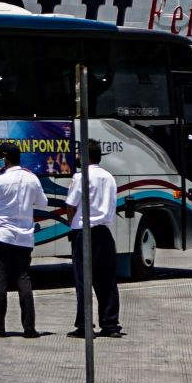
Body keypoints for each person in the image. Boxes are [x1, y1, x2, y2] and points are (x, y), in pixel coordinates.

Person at [0, 141, 50, 337]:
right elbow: (43, 202)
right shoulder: (32, 178)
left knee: (0, 280)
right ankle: (29, 328)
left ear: (4, 158)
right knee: (23, 279)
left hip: (1, 235)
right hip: (24, 237)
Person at [62, 140, 123, 339]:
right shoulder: (109, 177)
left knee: (83, 281)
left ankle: (84, 325)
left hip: (84, 232)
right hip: (104, 232)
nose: (76, 157)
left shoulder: (80, 177)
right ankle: (110, 324)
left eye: (79, 153)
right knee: (107, 281)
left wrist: (72, 224)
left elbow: (71, 205)